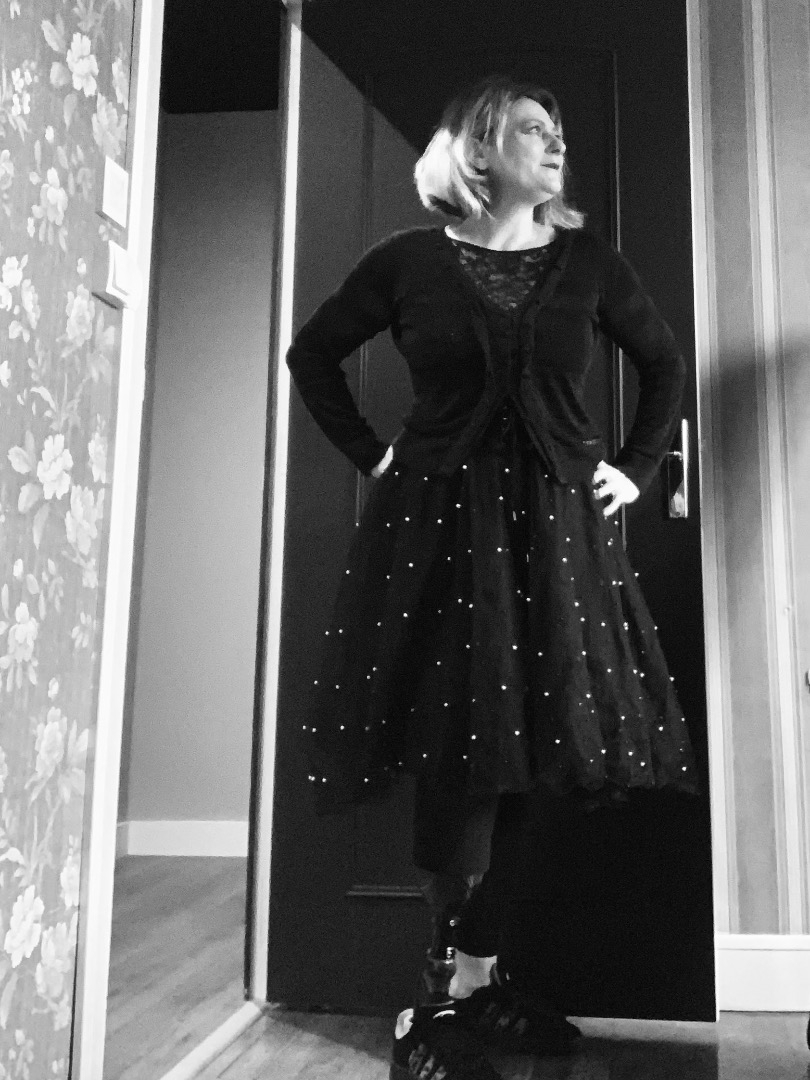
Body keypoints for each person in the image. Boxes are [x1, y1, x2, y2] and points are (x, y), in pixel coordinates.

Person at [286, 74, 701, 1080]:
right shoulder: (407, 263)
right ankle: (438, 990)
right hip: (435, 539)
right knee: (453, 751)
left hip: (558, 542)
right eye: (531, 129)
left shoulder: (589, 264)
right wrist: (376, 456)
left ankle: (475, 978)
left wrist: (637, 469)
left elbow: (664, 365)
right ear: (477, 148)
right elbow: (313, 356)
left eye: (558, 131)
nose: (554, 144)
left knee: (540, 750)